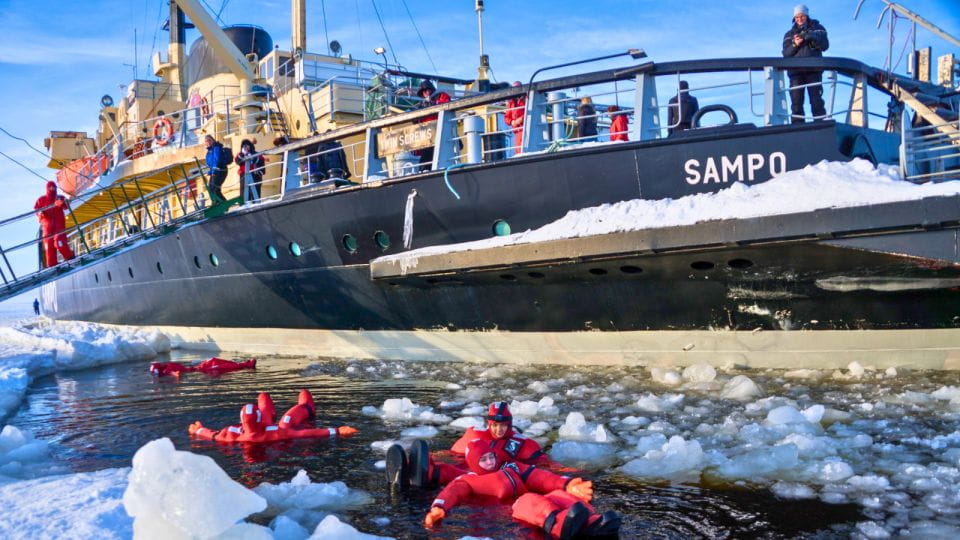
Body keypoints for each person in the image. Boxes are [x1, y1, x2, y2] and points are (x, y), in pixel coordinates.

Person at [422, 439, 620, 538]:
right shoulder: (467, 480)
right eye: (483, 459)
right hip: (513, 511)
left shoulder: (511, 466)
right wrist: (439, 507)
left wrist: (566, 484)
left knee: (557, 495)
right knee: (529, 501)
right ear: (473, 462)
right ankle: (560, 525)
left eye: (491, 456)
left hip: (535, 502)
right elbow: (450, 493)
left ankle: (592, 520)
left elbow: (539, 476)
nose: (490, 462)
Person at [188, 390, 357, 443]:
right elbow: (305, 433)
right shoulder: (277, 432)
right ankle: (307, 408)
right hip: (270, 430)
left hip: (255, 430)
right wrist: (336, 430)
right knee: (290, 415)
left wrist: (198, 430)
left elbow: (213, 435)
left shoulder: (230, 435)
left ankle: (267, 406)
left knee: (263, 397)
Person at [782, 4, 829, 123]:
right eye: (797, 17)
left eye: (801, 16)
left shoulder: (818, 28)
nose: (799, 19)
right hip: (795, 72)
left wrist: (811, 37)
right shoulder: (789, 34)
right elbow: (786, 53)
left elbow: (825, 45)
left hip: (814, 70)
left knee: (816, 100)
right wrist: (795, 44)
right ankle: (797, 127)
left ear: (806, 15)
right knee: (796, 102)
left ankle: (820, 124)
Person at [34, 181, 75, 268]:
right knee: (49, 247)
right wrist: (40, 213)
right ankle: (52, 265)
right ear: (47, 189)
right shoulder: (41, 200)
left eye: (53, 187)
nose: (52, 189)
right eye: (50, 188)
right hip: (47, 228)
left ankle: (69, 256)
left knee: (59, 242)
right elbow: (36, 209)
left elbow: (66, 206)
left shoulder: (59, 197)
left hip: (59, 227)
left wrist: (61, 203)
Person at [415, 80, 451, 170]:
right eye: (424, 91)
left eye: (427, 90)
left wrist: (434, 104)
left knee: (438, 154)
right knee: (426, 159)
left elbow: (447, 105)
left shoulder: (441, 96)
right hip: (427, 136)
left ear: (431, 90)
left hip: (440, 131)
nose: (426, 93)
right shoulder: (421, 105)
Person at [149, 357, 257, 378]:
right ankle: (246, 364)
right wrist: (175, 374)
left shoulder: (167, 368)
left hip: (197, 368)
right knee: (220, 366)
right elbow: (175, 373)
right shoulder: (168, 369)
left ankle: (244, 364)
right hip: (199, 371)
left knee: (214, 361)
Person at [204, 135, 229, 202]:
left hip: (220, 170)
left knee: (214, 189)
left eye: (209, 140)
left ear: (213, 140)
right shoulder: (209, 152)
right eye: (206, 141)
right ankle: (217, 203)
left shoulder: (216, 148)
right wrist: (209, 172)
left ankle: (223, 204)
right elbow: (210, 164)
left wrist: (213, 171)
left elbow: (216, 159)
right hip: (215, 171)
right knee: (210, 188)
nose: (208, 142)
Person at [504, 81, 526, 154]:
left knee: (523, 149)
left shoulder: (526, 99)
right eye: (514, 89)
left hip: (525, 129)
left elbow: (530, 111)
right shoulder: (511, 103)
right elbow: (506, 118)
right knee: (518, 151)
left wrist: (521, 119)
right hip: (517, 132)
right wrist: (512, 122)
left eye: (517, 88)